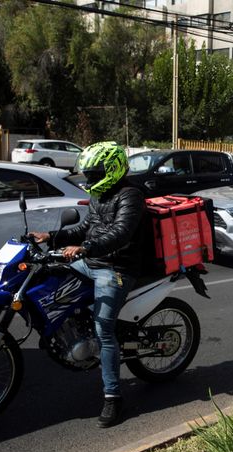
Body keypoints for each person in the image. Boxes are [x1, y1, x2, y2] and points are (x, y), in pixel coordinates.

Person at [29, 141, 145, 428]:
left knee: (103, 328)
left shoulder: (131, 195)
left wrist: (86, 248)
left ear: (112, 169)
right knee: (48, 275)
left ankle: (113, 397)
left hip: (116, 267)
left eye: (95, 173)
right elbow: (84, 228)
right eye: (89, 173)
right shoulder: (99, 195)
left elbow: (120, 233)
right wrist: (51, 237)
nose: (91, 179)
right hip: (91, 260)